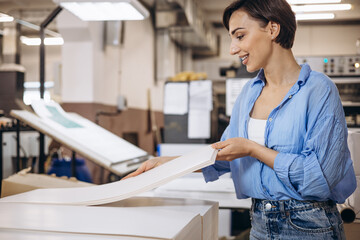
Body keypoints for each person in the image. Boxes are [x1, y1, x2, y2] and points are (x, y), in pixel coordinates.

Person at [123, 0, 357, 239]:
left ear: (273, 29)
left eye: (240, 36)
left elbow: (319, 179)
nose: (232, 49)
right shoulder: (248, 94)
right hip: (259, 223)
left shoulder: (318, 90)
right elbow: (224, 157)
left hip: (309, 226)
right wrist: (167, 164)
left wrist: (253, 149)